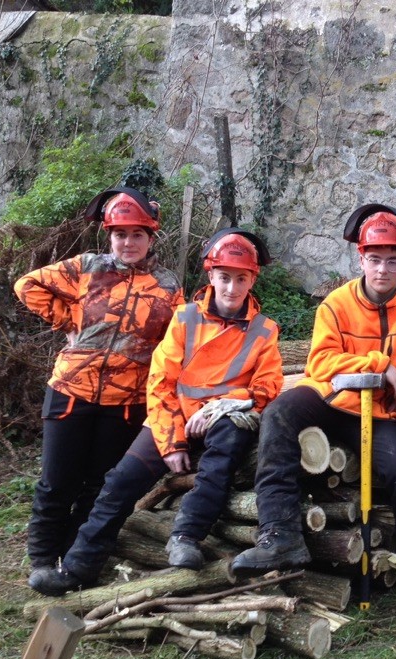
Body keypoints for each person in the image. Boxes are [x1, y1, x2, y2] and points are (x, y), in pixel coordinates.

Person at [29, 230, 284, 595]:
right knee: (118, 482)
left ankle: (186, 537)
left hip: (222, 421)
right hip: (172, 419)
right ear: (211, 276)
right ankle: (77, 567)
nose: (231, 288)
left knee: (220, 464)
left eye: (240, 278)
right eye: (224, 277)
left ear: (252, 279)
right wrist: (172, 443)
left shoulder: (265, 330)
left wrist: (222, 406)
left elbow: (267, 386)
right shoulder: (185, 318)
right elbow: (161, 383)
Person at [230, 204, 396, 610]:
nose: (383, 270)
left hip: (381, 411)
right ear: (361, 259)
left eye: (393, 260)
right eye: (374, 260)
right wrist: (380, 365)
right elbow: (321, 362)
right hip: (330, 398)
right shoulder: (336, 304)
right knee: (280, 411)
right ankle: (280, 534)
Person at [15, 187, 182, 592]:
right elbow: (28, 285)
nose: (128, 243)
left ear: (151, 237)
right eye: (120, 234)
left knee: (97, 485)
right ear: (110, 236)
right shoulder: (86, 268)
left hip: (126, 401)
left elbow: (175, 343)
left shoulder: (167, 287)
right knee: (57, 481)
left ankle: (73, 560)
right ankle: (41, 559)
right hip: (72, 389)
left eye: (137, 234)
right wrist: (68, 321)